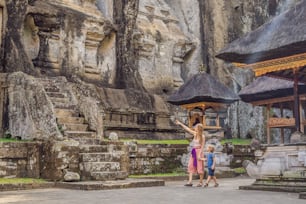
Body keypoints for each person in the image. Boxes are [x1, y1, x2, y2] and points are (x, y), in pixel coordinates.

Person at [175, 119, 205, 187]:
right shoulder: (195, 134)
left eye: (196, 127)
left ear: (199, 129)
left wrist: (200, 155)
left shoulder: (202, 136)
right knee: (190, 166)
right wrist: (180, 123)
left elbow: (202, 146)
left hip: (199, 151)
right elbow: (187, 129)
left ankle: (200, 182)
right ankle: (190, 181)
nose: (195, 128)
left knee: (200, 167)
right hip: (194, 151)